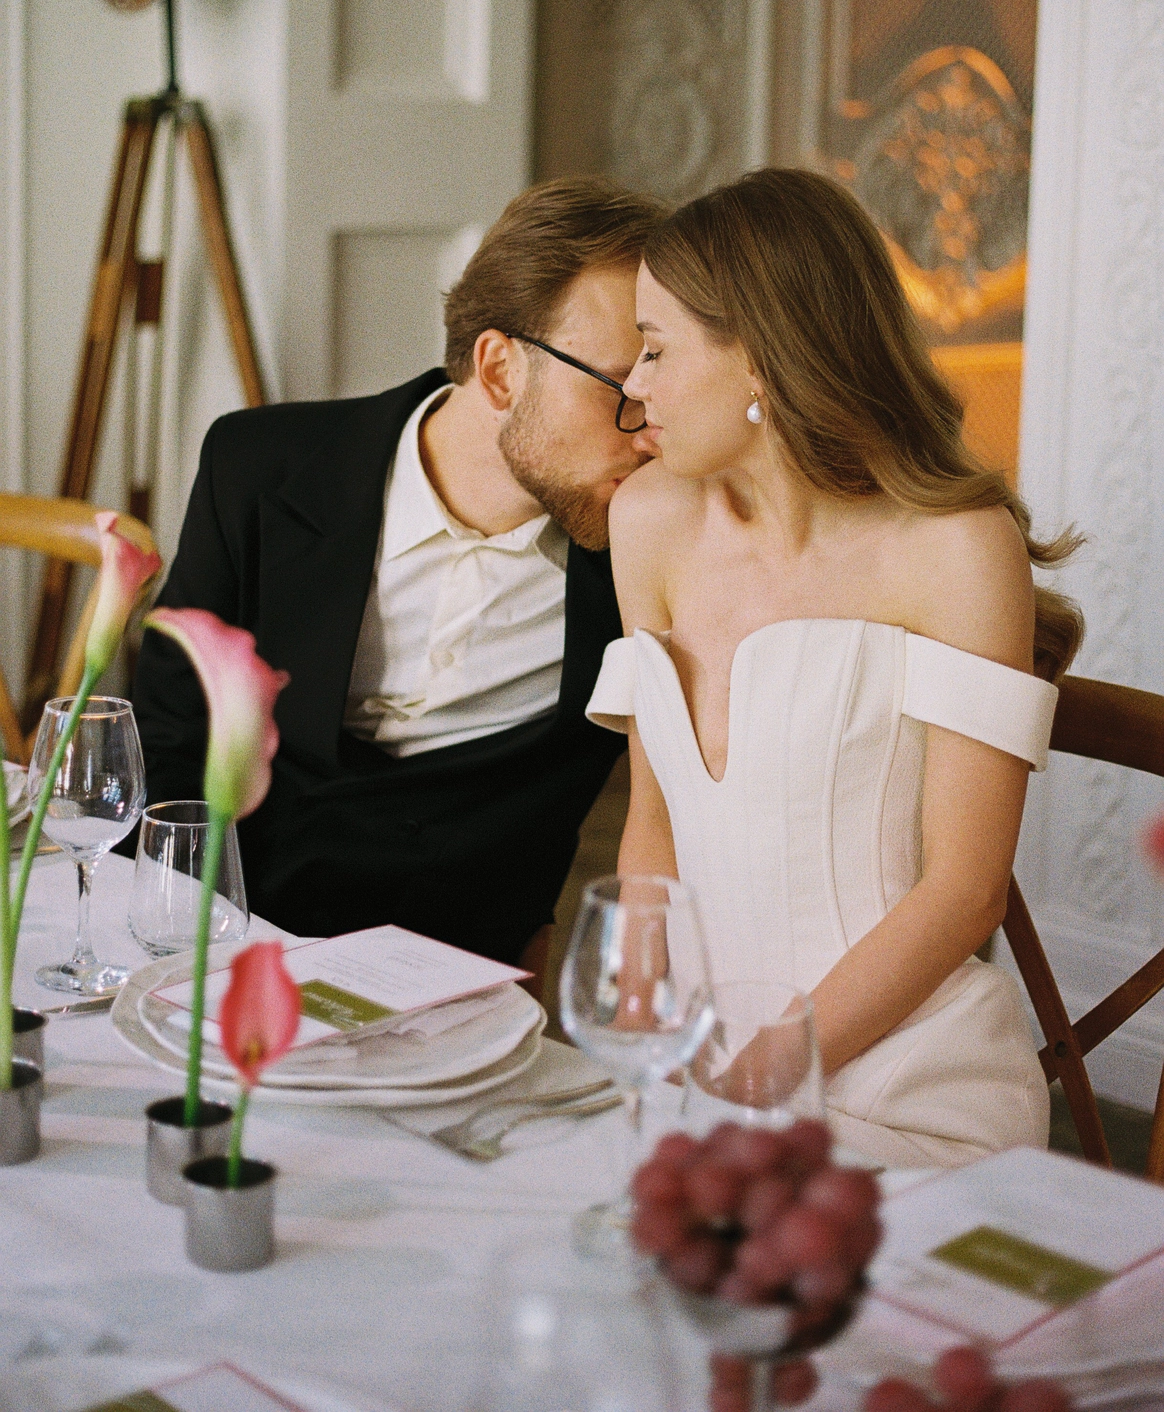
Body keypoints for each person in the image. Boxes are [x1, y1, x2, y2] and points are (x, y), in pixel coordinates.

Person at [586, 168, 1082, 1169]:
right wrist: (640, 1047)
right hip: (700, 1067)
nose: (632, 385)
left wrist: (757, 1078)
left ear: (760, 359)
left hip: (906, 1090)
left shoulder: (955, 548)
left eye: (656, 348)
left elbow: (966, 891)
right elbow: (654, 822)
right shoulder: (648, 523)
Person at [133, 178, 666, 976]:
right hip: (225, 958)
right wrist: (185, 961)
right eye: (623, 391)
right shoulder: (260, 470)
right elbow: (168, 742)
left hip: (460, 993)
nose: (650, 435)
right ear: (500, 371)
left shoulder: (655, 547)